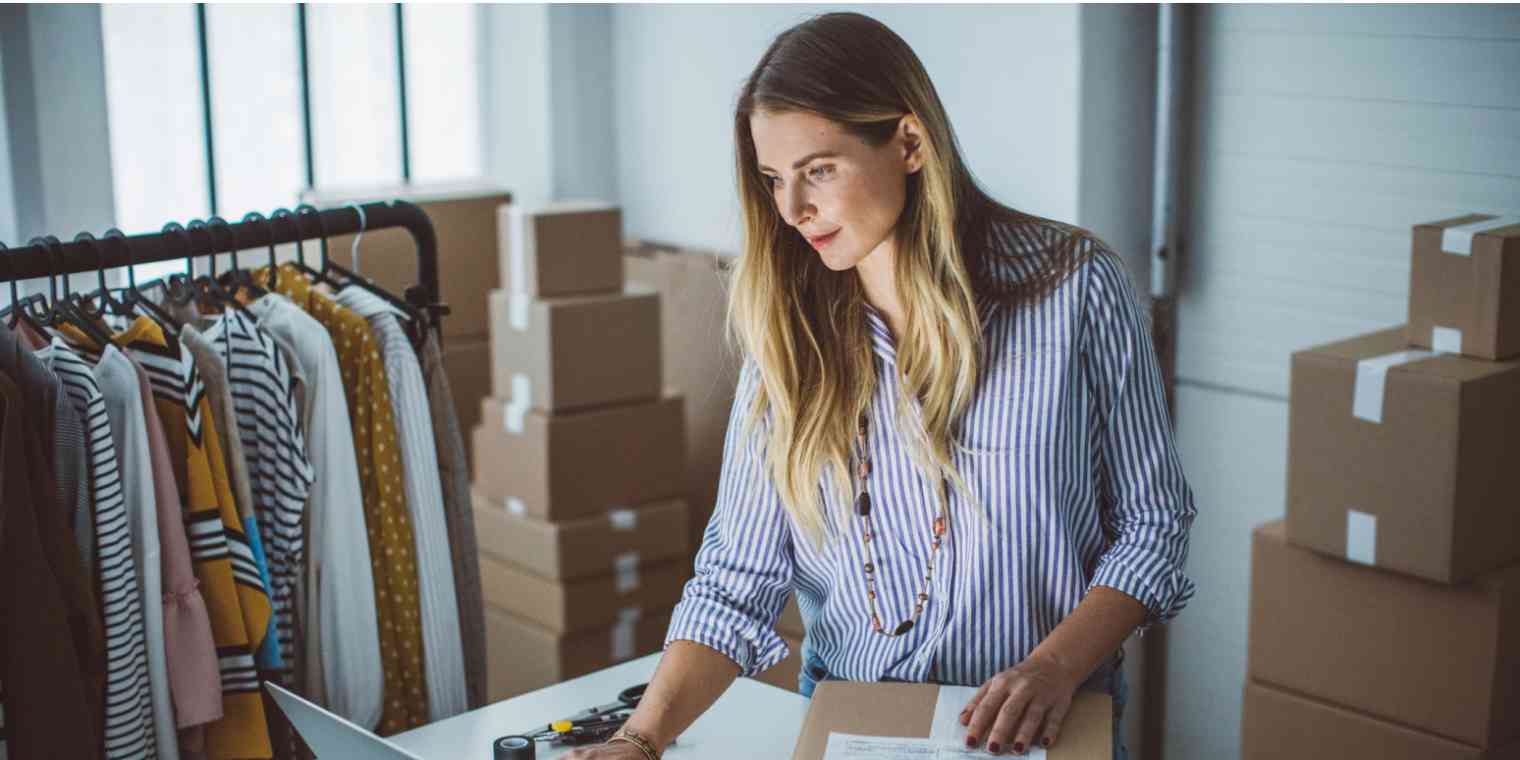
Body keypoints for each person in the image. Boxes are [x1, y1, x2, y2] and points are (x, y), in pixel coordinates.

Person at [572, 11, 1196, 760]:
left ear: (908, 142)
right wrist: (639, 740)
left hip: (1045, 726)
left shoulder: (1075, 288)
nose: (792, 210)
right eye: (774, 180)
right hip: (854, 728)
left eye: (819, 169)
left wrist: (1053, 667)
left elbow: (1154, 524)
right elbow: (736, 581)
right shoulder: (788, 340)